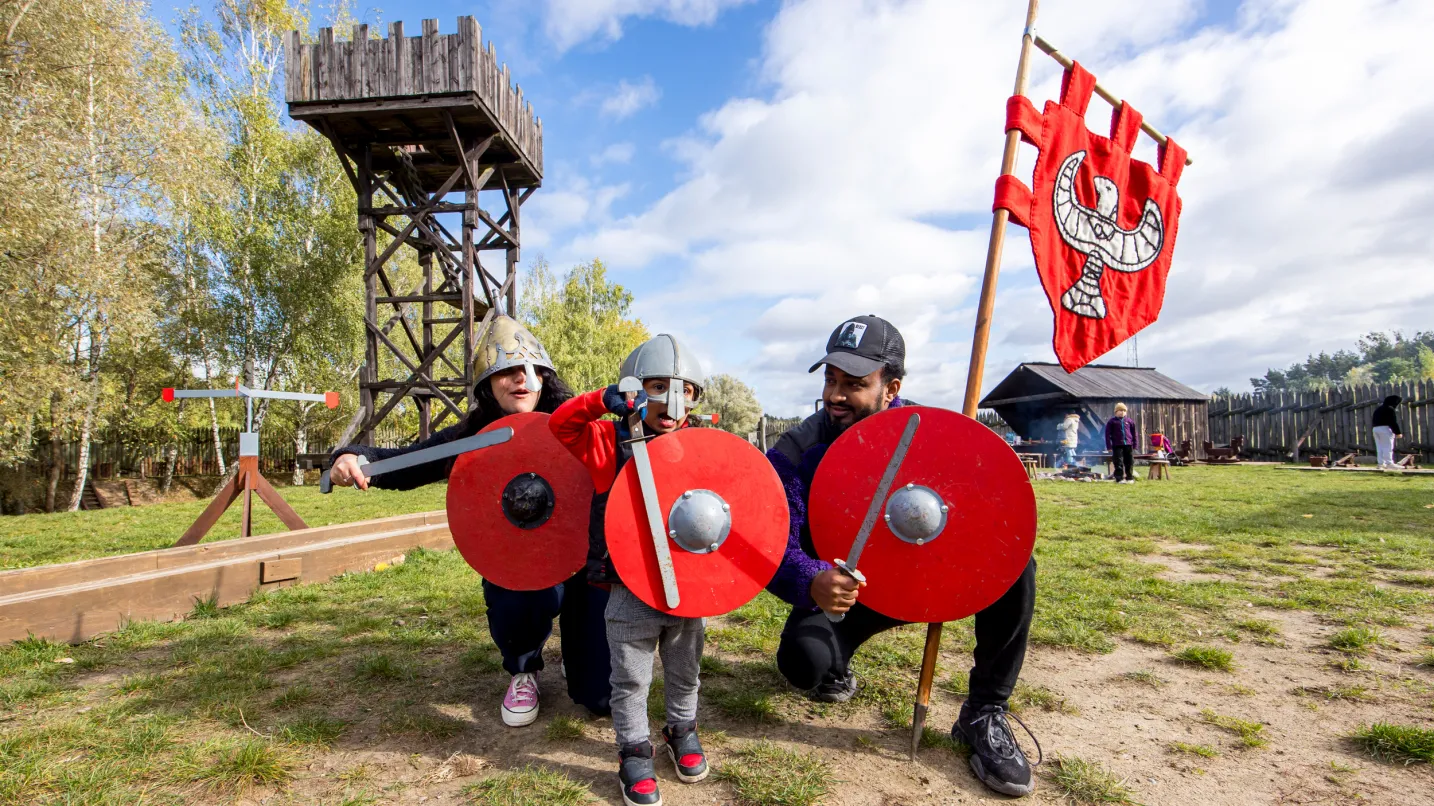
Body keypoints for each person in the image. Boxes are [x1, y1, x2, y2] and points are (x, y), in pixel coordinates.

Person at [763, 315, 1040, 798]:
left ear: (891, 388)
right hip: (853, 593)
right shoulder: (798, 447)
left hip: (928, 576)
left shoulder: (933, 433)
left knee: (1015, 562)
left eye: (854, 384)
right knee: (803, 664)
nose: (834, 395)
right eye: (830, 379)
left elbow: (991, 514)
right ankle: (837, 664)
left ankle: (985, 712)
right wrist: (811, 580)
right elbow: (772, 542)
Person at [326, 317, 611, 727]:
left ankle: (579, 655)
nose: (519, 381)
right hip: (521, 558)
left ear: (543, 379)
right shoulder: (473, 435)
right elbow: (409, 463)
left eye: (528, 372)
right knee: (514, 588)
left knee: (600, 696)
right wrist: (353, 456)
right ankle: (523, 669)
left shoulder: (577, 426)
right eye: (506, 372)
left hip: (586, 563)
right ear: (487, 384)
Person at [550, 334, 710, 806]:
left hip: (687, 588)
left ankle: (682, 729)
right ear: (635, 389)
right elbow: (562, 427)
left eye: (681, 389)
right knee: (630, 678)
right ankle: (634, 750)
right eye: (656, 386)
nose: (669, 399)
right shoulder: (606, 440)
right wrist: (600, 401)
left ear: (696, 398)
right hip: (628, 587)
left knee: (685, 669)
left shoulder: (702, 446)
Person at [1104, 403, 1137, 483]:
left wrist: (1135, 444)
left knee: (1129, 462)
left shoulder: (1129, 421)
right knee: (1118, 462)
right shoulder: (1112, 422)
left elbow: (1134, 433)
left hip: (1128, 444)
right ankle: (1119, 478)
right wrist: (1109, 446)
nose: (1122, 412)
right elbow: (1107, 435)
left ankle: (1129, 478)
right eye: (1120, 410)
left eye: (1124, 411)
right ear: (1116, 412)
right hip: (1117, 445)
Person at [1372, 395, 1403, 468]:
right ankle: (1389, 463)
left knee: (1379, 447)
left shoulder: (1378, 409)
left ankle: (1381, 463)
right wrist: (1397, 432)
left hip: (1376, 428)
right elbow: (1392, 422)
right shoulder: (1390, 409)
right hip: (1385, 429)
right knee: (1388, 446)